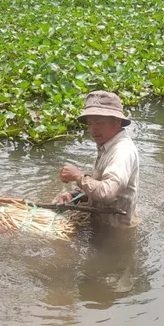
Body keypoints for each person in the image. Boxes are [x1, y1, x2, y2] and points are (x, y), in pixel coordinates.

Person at [52, 90, 140, 229]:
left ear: (117, 121)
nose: (93, 129)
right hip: (102, 222)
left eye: (99, 123)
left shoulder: (122, 151)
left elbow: (107, 193)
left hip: (116, 229)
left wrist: (78, 176)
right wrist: (73, 196)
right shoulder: (107, 145)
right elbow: (100, 185)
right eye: (90, 124)